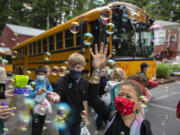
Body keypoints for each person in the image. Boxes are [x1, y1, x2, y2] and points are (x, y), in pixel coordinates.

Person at [87, 43, 153, 135]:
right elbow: (92, 98)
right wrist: (97, 69)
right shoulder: (110, 115)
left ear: (139, 101)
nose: (122, 99)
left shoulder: (143, 126)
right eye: (120, 94)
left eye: (128, 96)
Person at [54, 53, 89, 135]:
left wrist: (85, 116)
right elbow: (59, 91)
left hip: (77, 119)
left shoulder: (84, 82)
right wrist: (56, 96)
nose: (75, 70)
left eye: (78, 67)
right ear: (68, 67)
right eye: (72, 67)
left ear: (83, 67)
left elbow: (84, 100)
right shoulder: (62, 81)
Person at [28, 66, 56, 135]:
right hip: (35, 108)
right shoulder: (33, 84)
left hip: (44, 107)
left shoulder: (47, 83)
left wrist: (48, 95)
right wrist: (36, 92)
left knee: (40, 126)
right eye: (39, 74)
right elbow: (28, 95)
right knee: (35, 127)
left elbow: (50, 92)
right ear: (36, 75)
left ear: (45, 75)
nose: (41, 76)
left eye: (42, 74)